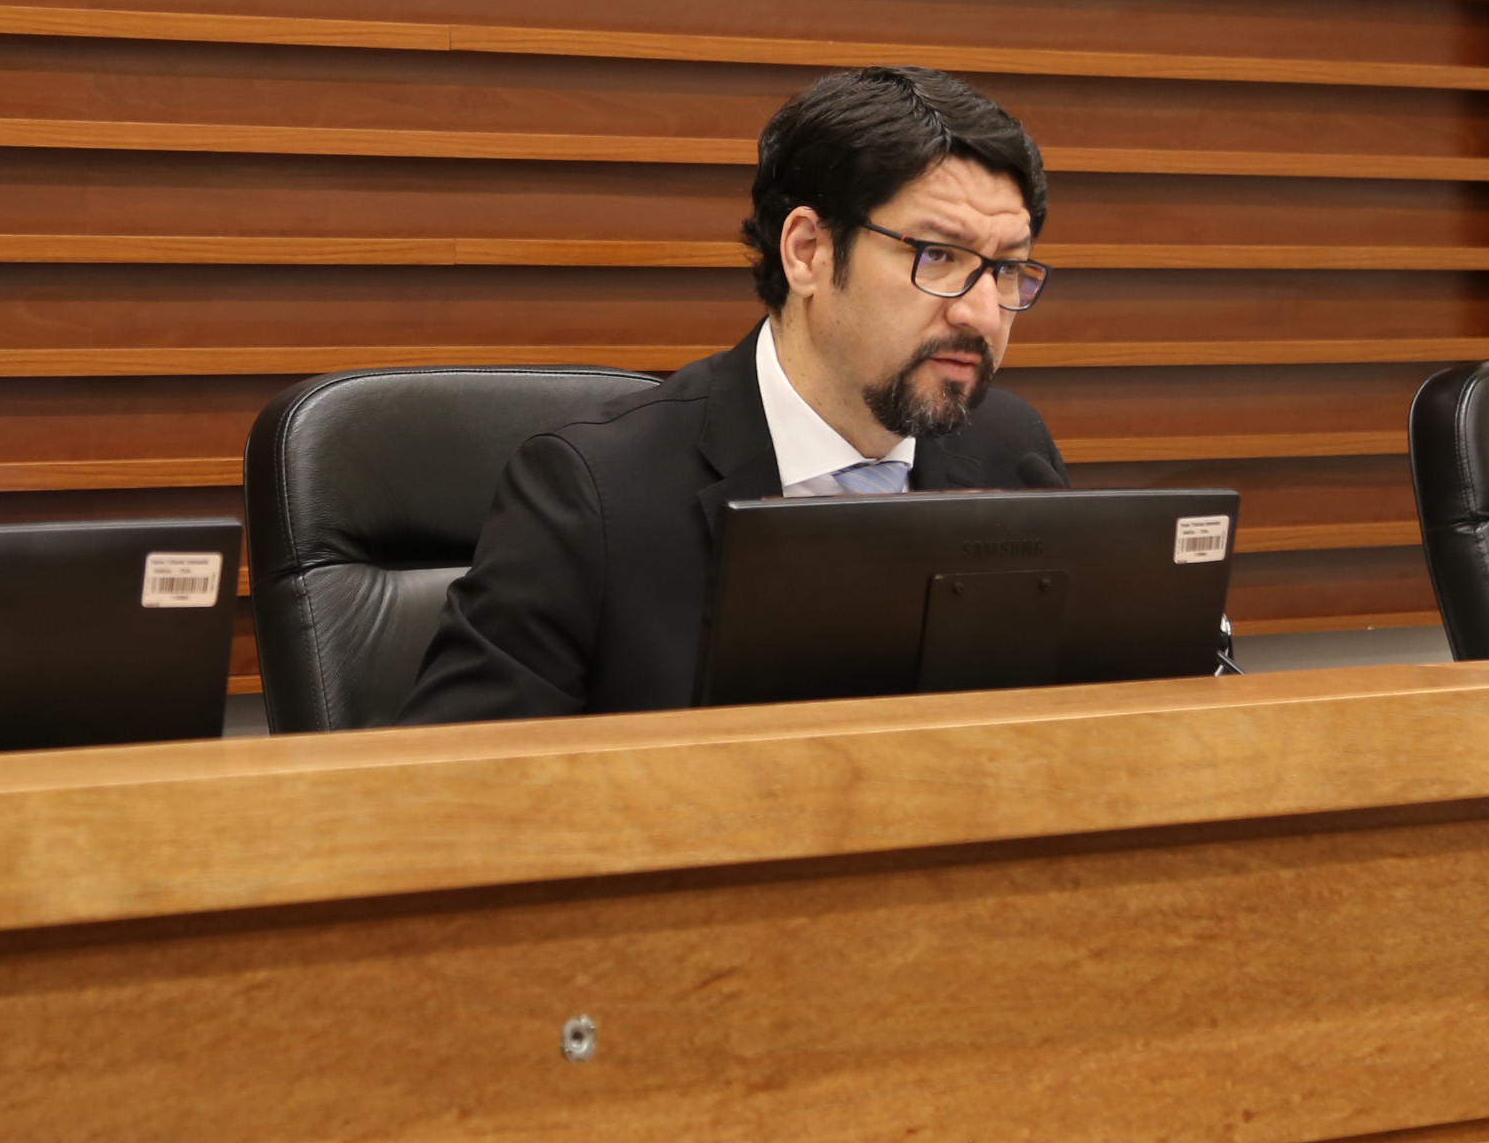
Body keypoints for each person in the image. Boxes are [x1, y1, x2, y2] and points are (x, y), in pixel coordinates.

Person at [401, 66, 1086, 721]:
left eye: (1007, 269)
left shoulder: (1012, 453)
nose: (983, 315)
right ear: (808, 250)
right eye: (938, 255)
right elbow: (455, 780)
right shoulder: (592, 494)